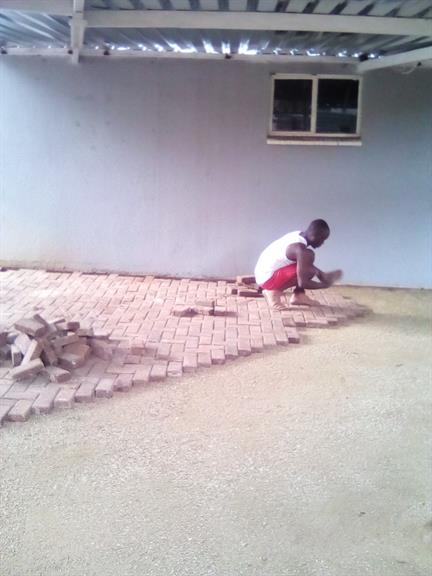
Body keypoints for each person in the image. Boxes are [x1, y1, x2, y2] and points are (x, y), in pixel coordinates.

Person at [254, 219, 342, 310]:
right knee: (308, 265)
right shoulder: (300, 249)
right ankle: (273, 292)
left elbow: (305, 265)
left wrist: (322, 275)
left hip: (263, 273)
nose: (322, 243)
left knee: (307, 264)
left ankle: (299, 296)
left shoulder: (298, 235)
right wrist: (324, 285)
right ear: (314, 236)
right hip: (267, 279)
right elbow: (303, 283)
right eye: (322, 240)